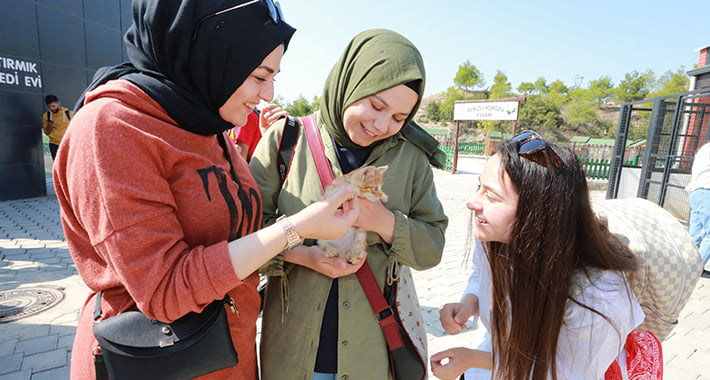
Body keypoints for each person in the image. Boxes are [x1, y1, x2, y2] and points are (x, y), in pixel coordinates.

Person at [52, 1, 361, 379]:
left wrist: (303, 252)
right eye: (259, 76)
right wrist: (294, 228)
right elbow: (165, 290)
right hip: (157, 359)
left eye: (275, 76)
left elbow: (232, 239)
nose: (268, 93)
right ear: (209, 55)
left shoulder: (205, 122)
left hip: (227, 352)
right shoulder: (113, 128)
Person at [249, 29, 448, 380]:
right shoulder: (285, 142)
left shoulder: (411, 159)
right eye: (376, 105)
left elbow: (431, 248)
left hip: (370, 352)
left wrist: (383, 221)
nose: (382, 125)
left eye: (400, 118)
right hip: (293, 348)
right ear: (350, 83)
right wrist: (301, 254)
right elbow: (242, 233)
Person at [431, 131, 649, 380]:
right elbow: (481, 272)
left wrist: (475, 359)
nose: (472, 202)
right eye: (478, 186)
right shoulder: (495, 237)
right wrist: (469, 302)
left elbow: (568, 374)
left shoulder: (598, 300)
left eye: (491, 195)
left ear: (538, 212)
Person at [686, 142, 710, 278]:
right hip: (707, 191)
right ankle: (696, 268)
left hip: (696, 192)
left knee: (695, 234)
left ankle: (687, 265)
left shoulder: (703, 149)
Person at [42, 94, 72, 160]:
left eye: (53, 106)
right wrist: (49, 126)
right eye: (49, 107)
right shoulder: (46, 116)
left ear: (58, 103)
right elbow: (46, 132)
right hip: (54, 144)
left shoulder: (69, 114)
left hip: (67, 143)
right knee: (57, 167)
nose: (52, 108)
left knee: (69, 164)